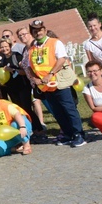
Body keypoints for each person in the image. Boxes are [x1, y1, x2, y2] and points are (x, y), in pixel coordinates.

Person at [26, 19, 85, 147]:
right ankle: (68, 134)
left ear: (45, 30)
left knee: (69, 109)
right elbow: (29, 66)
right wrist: (34, 78)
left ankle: (79, 134)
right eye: (35, 31)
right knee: (57, 111)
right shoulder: (32, 48)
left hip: (59, 81)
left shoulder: (54, 43)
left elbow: (62, 59)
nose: (38, 33)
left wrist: (51, 74)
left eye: (40, 30)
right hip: (45, 85)